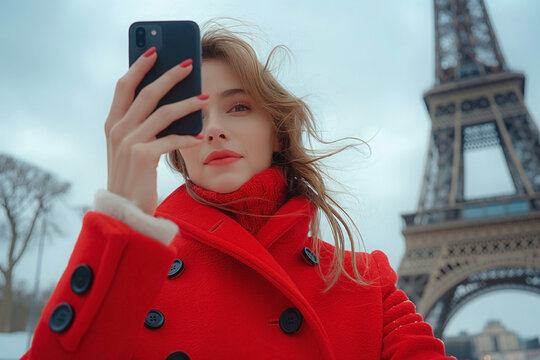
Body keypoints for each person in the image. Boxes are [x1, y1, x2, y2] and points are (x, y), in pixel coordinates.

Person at [22, 24, 455, 360]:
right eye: (193, 116)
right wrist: (122, 225)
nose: (213, 130)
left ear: (278, 134)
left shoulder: (366, 282)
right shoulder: (129, 281)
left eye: (239, 107)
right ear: (178, 150)